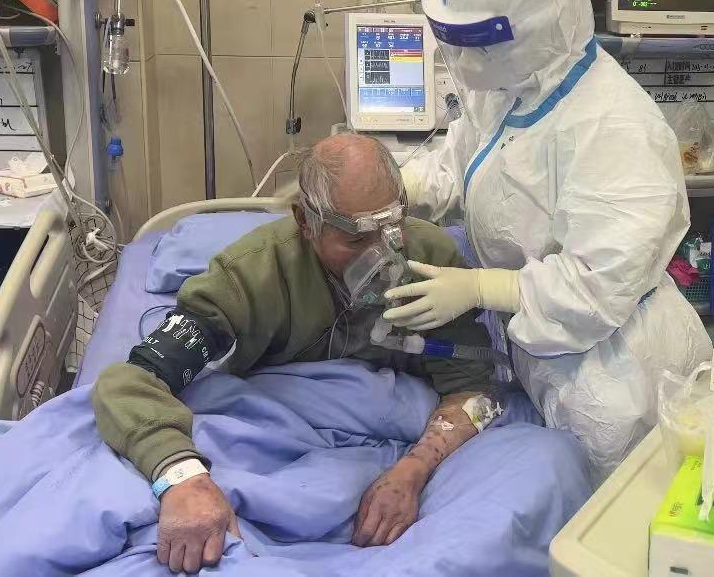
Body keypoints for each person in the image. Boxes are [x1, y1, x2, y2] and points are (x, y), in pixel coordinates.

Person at [389, 0, 710, 479]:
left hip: (616, 376)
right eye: (451, 45)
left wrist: (482, 287)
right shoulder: (508, 85)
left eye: (471, 48)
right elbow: (463, 164)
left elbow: (597, 285)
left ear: (531, 33)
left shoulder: (614, 124)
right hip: (541, 349)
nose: (457, 64)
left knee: (608, 516)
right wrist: (396, 187)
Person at [92, 134, 501, 574]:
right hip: (277, 435)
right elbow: (131, 382)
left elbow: (474, 392)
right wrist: (181, 477)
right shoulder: (249, 277)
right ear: (307, 221)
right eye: (355, 239)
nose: (383, 254)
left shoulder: (430, 258)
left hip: (397, 437)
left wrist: (411, 473)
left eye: (391, 228)